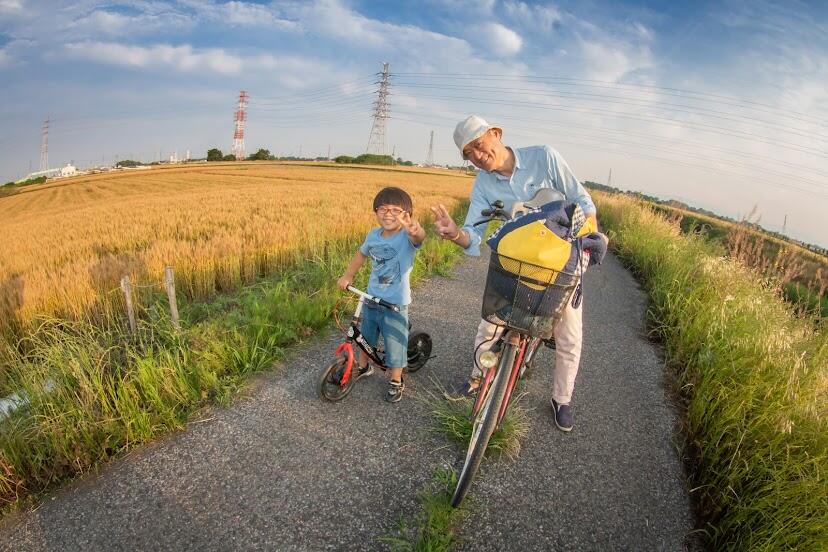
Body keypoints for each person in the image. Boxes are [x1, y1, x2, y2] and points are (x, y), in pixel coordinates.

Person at [432, 115, 598, 431]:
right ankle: (478, 377)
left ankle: (561, 399)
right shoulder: (483, 183)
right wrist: (456, 233)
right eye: (469, 154)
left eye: (479, 146)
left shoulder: (543, 157)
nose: (478, 157)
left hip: (559, 259)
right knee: (491, 323)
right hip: (515, 262)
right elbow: (472, 234)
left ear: (495, 133)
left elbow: (582, 201)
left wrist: (590, 239)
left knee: (569, 336)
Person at [338, 186, 426, 403]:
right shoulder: (373, 235)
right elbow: (361, 255)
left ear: (407, 216)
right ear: (376, 212)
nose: (388, 214)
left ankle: (396, 379)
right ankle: (363, 366)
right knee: (365, 337)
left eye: (396, 210)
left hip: (394, 303)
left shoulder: (406, 237)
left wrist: (416, 230)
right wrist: (347, 276)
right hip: (371, 298)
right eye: (383, 209)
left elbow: (419, 238)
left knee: (394, 343)